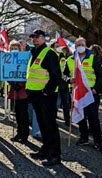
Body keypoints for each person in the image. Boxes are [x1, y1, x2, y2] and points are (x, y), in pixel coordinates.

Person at [26, 30, 61, 167]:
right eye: (33, 37)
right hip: (36, 95)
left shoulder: (49, 53)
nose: (34, 39)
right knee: (43, 125)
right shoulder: (34, 52)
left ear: (43, 38)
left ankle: (55, 156)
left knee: (50, 125)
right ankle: (46, 150)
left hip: (46, 96)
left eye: (37, 37)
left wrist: (46, 91)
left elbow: (56, 76)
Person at [64, 38, 102, 151]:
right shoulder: (70, 60)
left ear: (86, 45)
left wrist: (96, 89)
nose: (80, 46)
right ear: (75, 46)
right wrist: (68, 79)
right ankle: (84, 138)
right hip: (77, 93)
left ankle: (98, 141)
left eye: (82, 44)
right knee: (80, 117)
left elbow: (101, 75)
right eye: (78, 44)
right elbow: (63, 75)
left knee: (93, 118)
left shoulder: (93, 58)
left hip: (91, 92)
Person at [7, 40, 29, 143]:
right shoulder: (8, 59)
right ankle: (19, 133)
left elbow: (26, 73)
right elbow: (6, 73)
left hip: (23, 90)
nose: (14, 49)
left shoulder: (24, 58)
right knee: (16, 113)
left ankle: (24, 134)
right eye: (12, 48)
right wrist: (12, 83)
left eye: (16, 48)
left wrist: (20, 85)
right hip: (14, 89)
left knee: (23, 114)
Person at [52, 41, 71, 126]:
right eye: (57, 46)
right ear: (53, 47)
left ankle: (67, 120)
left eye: (60, 46)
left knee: (66, 105)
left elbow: (65, 70)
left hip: (64, 85)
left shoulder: (64, 57)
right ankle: (53, 121)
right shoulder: (51, 56)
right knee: (55, 105)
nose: (59, 47)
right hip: (55, 85)